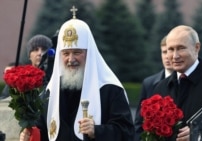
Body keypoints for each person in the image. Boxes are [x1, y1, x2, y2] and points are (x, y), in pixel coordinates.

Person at [19, 9, 134, 141]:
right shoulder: (50, 92)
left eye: (77, 52)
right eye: (66, 53)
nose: (71, 59)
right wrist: (29, 136)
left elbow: (127, 133)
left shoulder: (110, 89)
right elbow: (42, 131)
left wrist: (97, 131)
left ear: (88, 53)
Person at [133, 35, 173, 141]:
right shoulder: (149, 83)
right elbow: (139, 122)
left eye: (170, 51)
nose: (167, 56)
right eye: (164, 52)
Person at [0, 35, 52, 100]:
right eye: (35, 49)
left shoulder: (54, 76)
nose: (40, 53)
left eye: (44, 49)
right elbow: (4, 100)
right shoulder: (20, 76)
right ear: (29, 55)